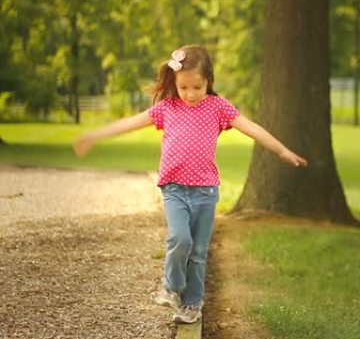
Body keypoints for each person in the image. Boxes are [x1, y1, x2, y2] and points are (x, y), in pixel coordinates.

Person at [73, 44, 307, 324]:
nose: (190, 94)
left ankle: (192, 304)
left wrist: (281, 150)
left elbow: (252, 128)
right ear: (175, 83)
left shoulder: (218, 107)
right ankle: (171, 287)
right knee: (179, 238)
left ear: (209, 81)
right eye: (183, 87)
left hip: (206, 192)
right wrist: (95, 136)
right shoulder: (166, 108)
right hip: (174, 189)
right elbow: (130, 123)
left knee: (198, 253)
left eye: (197, 87)